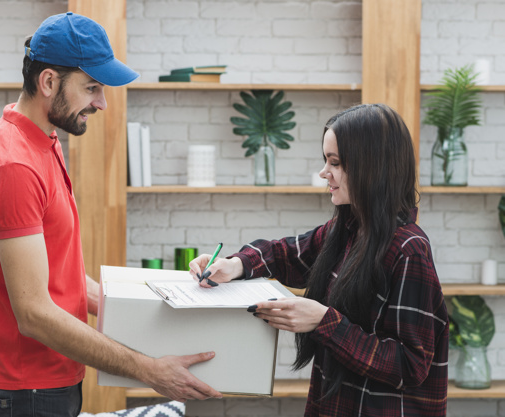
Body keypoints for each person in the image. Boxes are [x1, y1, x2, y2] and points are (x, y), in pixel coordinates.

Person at [0, 12, 221, 417]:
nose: (101, 103)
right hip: (26, 390)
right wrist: (149, 370)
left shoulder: (43, 142)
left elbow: (62, 281)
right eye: (91, 88)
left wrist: (168, 307)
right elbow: (33, 314)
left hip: (51, 379)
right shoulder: (12, 166)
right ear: (48, 81)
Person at [190, 103, 448, 416]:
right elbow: (287, 254)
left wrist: (325, 322)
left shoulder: (409, 250)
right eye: (326, 160)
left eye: (335, 163)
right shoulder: (348, 228)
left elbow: (410, 366)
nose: (324, 172)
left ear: (373, 167)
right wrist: (235, 265)